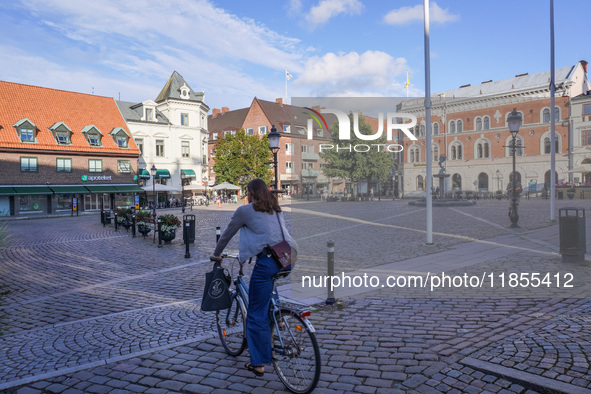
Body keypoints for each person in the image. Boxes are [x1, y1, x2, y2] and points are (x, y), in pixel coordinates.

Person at [210, 178, 293, 377]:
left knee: (255, 313)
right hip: (287, 257)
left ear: (251, 193)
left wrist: (216, 254)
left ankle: (258, 363)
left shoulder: (245, 210)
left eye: (247, 191)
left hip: (268, 260)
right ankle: (278, 317)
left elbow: (227, 234)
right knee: (269, 285)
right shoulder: (274, 207)